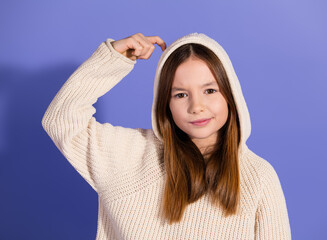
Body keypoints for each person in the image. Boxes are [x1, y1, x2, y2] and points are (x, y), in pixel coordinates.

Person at [42, 32, 291, 239]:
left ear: (230, 94)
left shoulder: (258, 177)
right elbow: (61, 120)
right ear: (166, 104)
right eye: (180, 94)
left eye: (210, 90)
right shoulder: (130, 156)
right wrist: (113, 60)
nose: (197, 106)